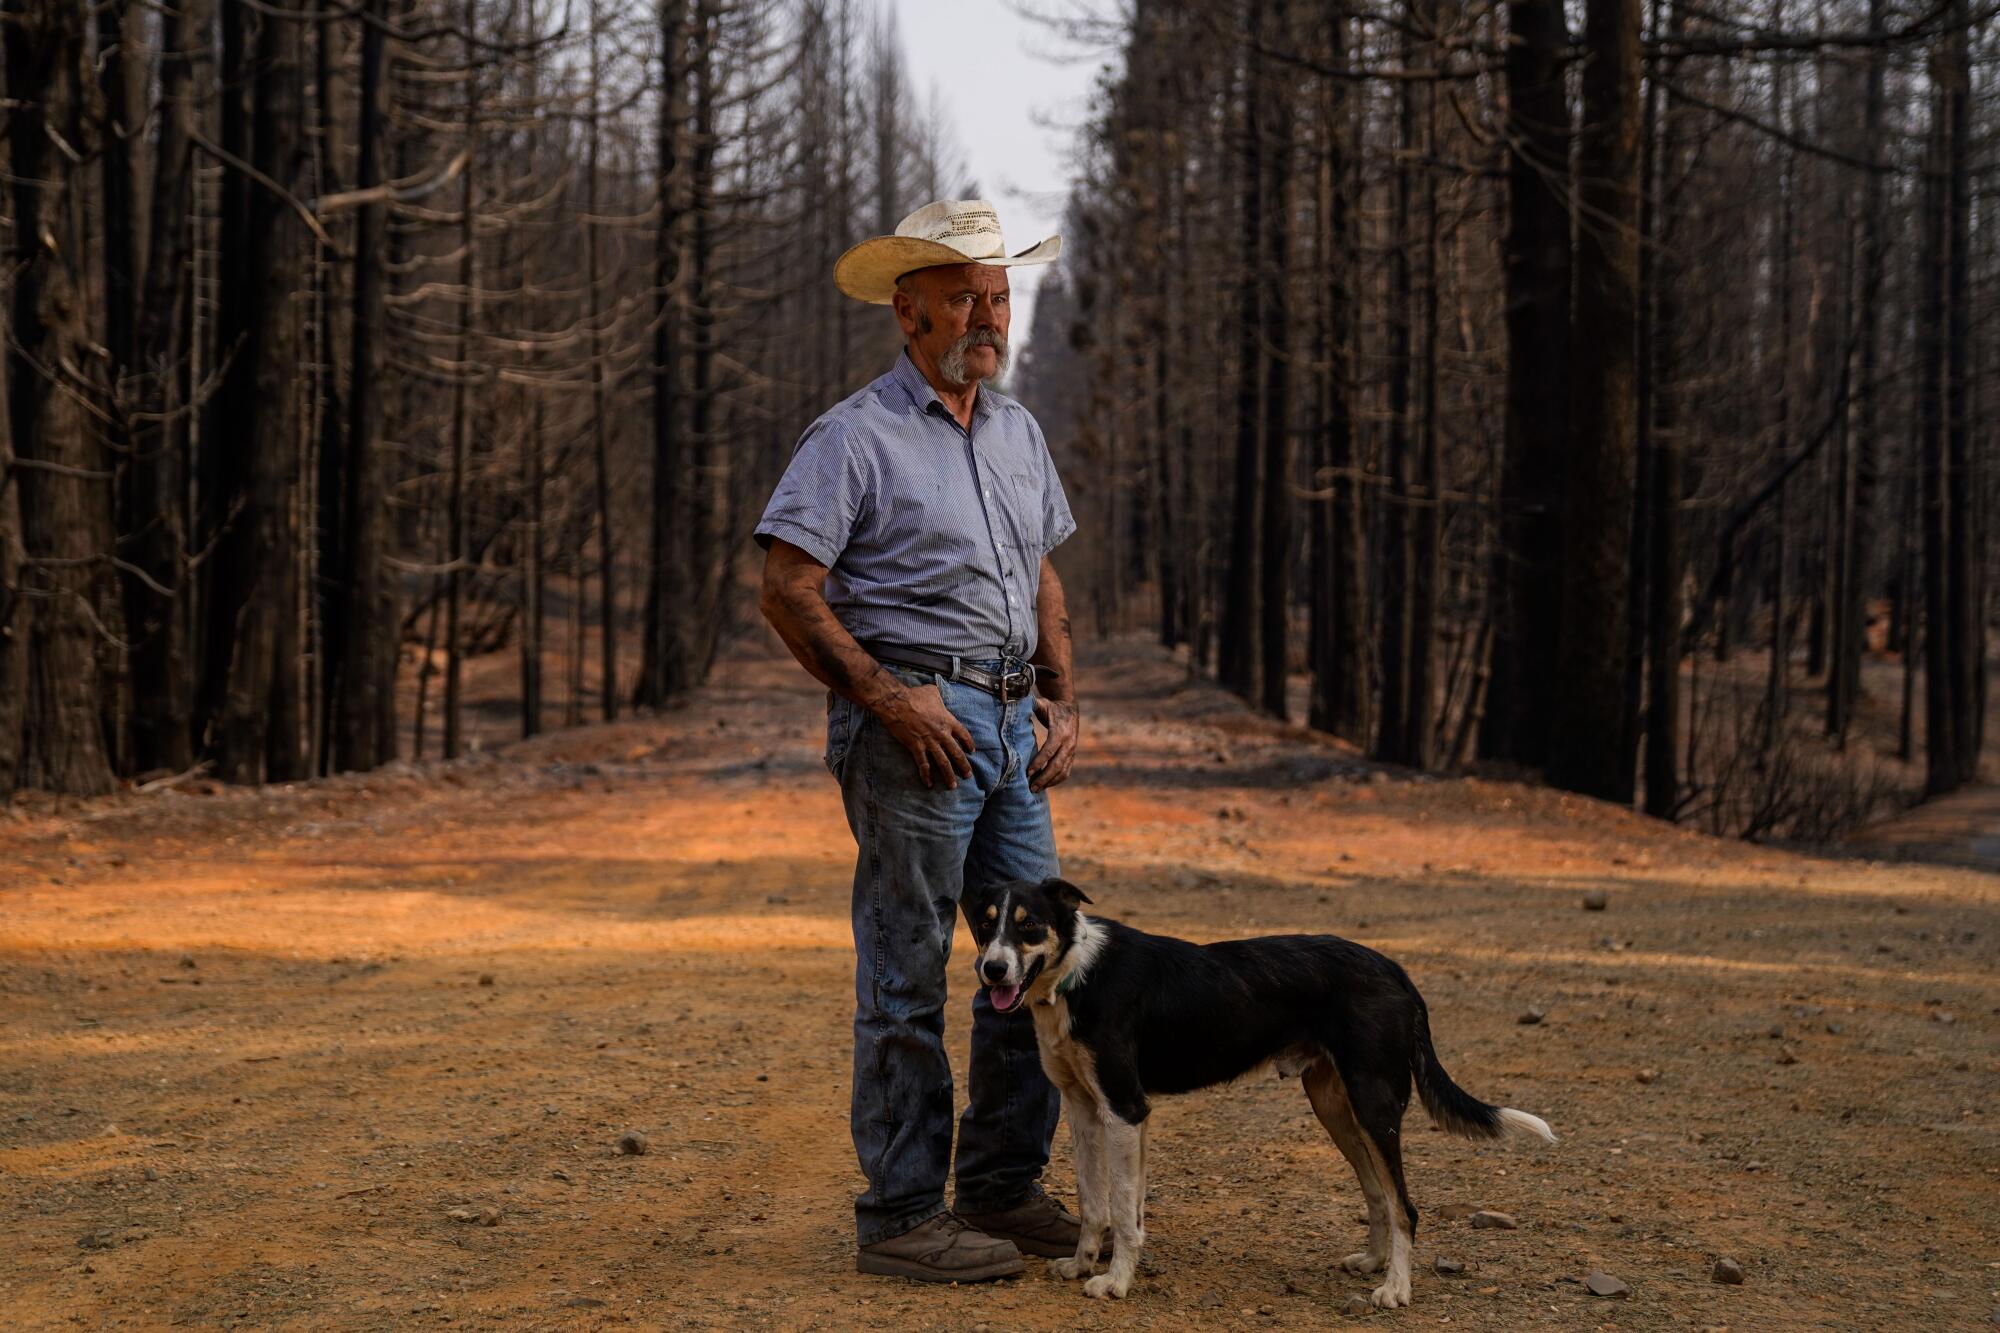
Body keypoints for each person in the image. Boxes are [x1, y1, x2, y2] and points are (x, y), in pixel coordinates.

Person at [754, 199, 1082, 1283]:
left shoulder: (1017, 429)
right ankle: (899, 1213)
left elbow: (1040, 570)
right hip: (916, 736)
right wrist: (891, 702)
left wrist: (1058, 695)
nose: (983, 319)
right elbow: (786, 586)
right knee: (904, 970)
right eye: (959, 300)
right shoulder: (854, 436)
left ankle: (997, 1186)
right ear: (908, 314)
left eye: (995, 299)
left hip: (1004, 726)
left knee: (1036, 962)